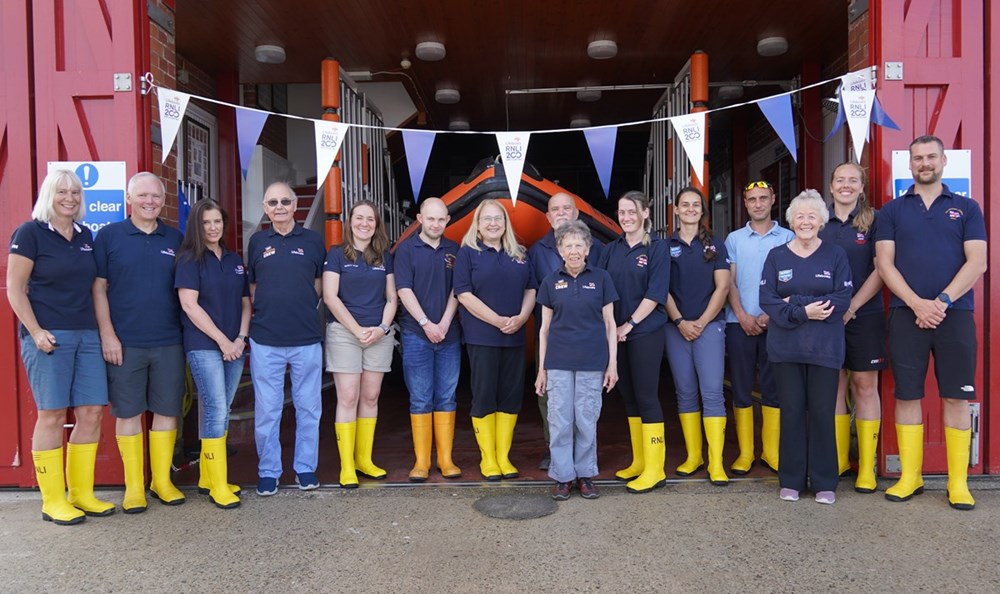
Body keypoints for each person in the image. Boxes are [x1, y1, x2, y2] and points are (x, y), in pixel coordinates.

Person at [875, 135, 987, 510]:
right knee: (907, 394)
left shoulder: (967, 208)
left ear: (943, 162)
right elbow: (884, 263)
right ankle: (911, 477)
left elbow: (977, 262)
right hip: (906, 315)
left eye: (931, 157)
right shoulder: (891, 211)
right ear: (909, 165)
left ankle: (958, 483)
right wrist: (915, 304)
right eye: (918, 158)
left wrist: (939, 302)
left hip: (953, 315)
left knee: (956, 397)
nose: (925, 163)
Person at [7, 169, 113, 525]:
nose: (69, 197)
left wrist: (103, 333)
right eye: (62, 191)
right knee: (52, 414)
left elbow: (95, 288)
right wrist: (35, 331)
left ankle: (81, 493)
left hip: (86, 335)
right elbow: (14, 289)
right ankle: (53, 500)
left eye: (75, 192)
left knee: (92, 412)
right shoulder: (30, 233)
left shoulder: (85, 235)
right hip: (48, 337)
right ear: (49, 194)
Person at [92, 172, 186, 513]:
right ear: (129, 198)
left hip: (168, 341)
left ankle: (161, 481)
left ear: (163, 200)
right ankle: (134, 487)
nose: (150, 201)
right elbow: (98, 287)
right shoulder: (109, 236)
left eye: (156, 196)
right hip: (125, 342)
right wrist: (107, 334)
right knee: (129, 412)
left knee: (166, 411)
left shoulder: (175, 238)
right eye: (143, 196)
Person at [760, 190, 853, 504]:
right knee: (793, 413)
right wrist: (806, 311)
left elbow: (842, 300)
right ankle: (792, 480)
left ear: (821, 221)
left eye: (812, 216)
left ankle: (825, 482)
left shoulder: (835, 255)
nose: (805, 221)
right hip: (786, 351)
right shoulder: (776, 256)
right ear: (791, 221)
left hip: (826, 350)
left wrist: (795, 304)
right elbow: (768, 301)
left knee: (823, 414)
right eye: (799, 216)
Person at [246, 182, 326, 495]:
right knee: (268, 410)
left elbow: (318, 283)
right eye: (272, 202)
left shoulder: (313, 240)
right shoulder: (256, 242)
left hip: (306, 338)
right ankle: (269, 471)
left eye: (285, 201)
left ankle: (305, 468)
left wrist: (301, 304)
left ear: (295, 205)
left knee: (309, 408)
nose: (279, 207)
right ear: (265, 208)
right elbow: (253, 287)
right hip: (266, 340)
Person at [175, 199, 251, 510]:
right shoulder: (190, 259)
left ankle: (208, 477)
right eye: (206, 222)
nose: (213, 227)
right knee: (216, 409)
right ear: (197, 225)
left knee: (219, 410)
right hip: (205, 345)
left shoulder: (234, 260)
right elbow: (189, 306)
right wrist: (223, 341)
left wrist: (241, 338)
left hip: (235, 344)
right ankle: (219, 484)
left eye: (217, 221)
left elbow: (246, 302)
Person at [534, 221, 618, 500]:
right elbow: (544, 329)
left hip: (592, 362)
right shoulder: (549, 282)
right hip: (557, 362)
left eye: (579, 245)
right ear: (559, 249)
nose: (573, 250)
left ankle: (584, 474)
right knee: (559, 420)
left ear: (588, 248)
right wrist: (541, 370)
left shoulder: (602, 278)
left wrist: (612, 365)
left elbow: (610, 323)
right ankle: (562, 476)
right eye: (568, 245)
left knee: (586, 419)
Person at [454, 199, 536, 481]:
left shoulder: (521, 254)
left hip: (514, 335)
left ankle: (504, 456)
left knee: (511, 396)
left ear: (505, 223)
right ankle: (488, 458)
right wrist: (497, 320)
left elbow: (531, 289)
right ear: (477, 224)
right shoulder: (467, 254)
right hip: (483, 336)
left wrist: (523, 317)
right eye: (486, 219)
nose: (492, 223)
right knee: (484, 395)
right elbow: (463, 294)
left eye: (498, 218)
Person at [818, 163, 886, 493]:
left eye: (853, 180)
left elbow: (881, 269)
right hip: (827, 318)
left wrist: (853, 306)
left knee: (863, 384)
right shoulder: (818, 221)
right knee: (833, 384)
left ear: (862, 187)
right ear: (831, 187)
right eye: (840, 180)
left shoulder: (875, 221)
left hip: (865, 314)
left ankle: (867, 467)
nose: (846, 185)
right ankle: (840, 461)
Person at [598, 190, 669, 494]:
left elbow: (655, 293)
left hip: (644, 332)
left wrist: (629, 324)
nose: (625, 218)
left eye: (631, 212)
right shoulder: (610, 249)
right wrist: (611, 328)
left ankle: (656, 469)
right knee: (629, 397)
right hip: (617, 334)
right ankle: (640, 461)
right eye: (621, 212)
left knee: (647, 396)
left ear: (645, 214)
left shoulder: (657, 248)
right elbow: (601, 289)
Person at [323, 199, 397, 488]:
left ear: (377, 224)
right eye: (359, 218)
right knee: (348, 397)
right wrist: (356, 329)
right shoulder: (337, 254)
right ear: (350, 221)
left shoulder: (383, 256)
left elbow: (392, 297)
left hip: (378, 335)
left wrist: (381, 328)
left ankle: (364, 459)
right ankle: (346, 466)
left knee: (370, 397)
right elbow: (330, 296)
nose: (364, 223)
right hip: (344, 333)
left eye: (370, 219)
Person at [528, 192, 602, 471]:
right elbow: (533, 295)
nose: (560, 213)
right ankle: (556, 453)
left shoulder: (597, 250)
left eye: (566, 208)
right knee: (550, 400)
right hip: (552, 339)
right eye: (554, 209)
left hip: (587, 338)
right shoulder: (536, 252)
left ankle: (583, 461)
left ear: (576, 213)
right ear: (547, 217)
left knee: (585, 403)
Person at [724, 180, 794, 474]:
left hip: (777, 325)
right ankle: (745, 453)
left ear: (773, 199)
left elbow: (796, 281)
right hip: (739, 323)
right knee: (740, 388)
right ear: (745, 202)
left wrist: (771, 314)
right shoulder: (734, 239)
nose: (758, 204)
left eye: (763, 198)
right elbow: (729, 281)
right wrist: (741, 314)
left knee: (773, 388)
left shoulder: (789, 236)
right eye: (752, 199)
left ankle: (771, 452)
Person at [664, 187, 730, 486]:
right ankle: (694, 457)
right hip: (675, 328)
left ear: (702, 211)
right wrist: (679, 320)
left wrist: (701, 322)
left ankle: (716, 462)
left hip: (710, 327)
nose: (690, 209)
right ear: (675, 210)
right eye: (684, 205)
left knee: (713, 393)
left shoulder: (716, 245)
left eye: (695, 205)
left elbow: (723, 287)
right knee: (686, 392)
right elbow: (659, 288)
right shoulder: (664, 246)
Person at [395, 197, 462, 482]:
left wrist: (444, 323)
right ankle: (422, 462)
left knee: (446, 396)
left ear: (447, 221)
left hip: (448, 334)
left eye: (441, 219)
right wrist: (426, 324)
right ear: (420, 219)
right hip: (415, 334)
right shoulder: (406, 250)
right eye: (430, 218)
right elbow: (403, 290)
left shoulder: (455, 250)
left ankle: (445, 459)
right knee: (420, 398)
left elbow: (458, 290)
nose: (436, 224)